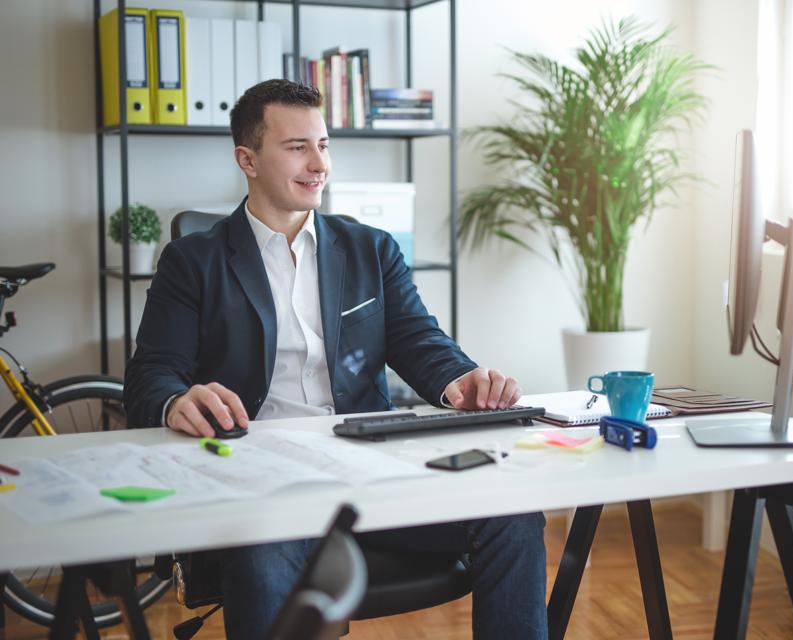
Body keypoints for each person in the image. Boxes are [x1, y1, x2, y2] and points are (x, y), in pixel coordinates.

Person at [123, 79, 547, 640]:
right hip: (264, 479)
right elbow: (150, 376)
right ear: (246, 159)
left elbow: (420, 341)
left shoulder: (372, 248)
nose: (318, 163)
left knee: (514, 514)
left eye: (323, 145)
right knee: (262, 554)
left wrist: (462, 381)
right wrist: (178, 400)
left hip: (373, 469)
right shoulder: (192, 260)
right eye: (297, 146)